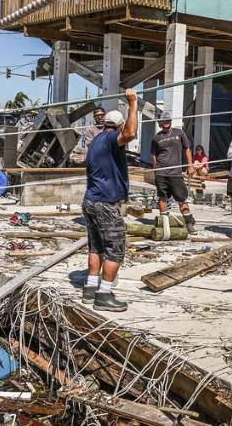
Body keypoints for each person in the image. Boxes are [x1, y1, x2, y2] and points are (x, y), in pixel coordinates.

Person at [81, 89, 139, 312]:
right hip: (105, 203)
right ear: (119, 126)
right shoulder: (112, 139)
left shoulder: (96, 140)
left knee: (96, 247)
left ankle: (90, 287)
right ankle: (104, 294)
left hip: (90, 201)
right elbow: (131, 133)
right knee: (115, 248)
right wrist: (133, 104)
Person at [151, 112, 197, 234]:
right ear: (160, 123)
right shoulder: (157, 137)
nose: (165, 123)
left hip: (175, 173)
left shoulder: (179, 133)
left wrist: (190, 165)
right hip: (161, 172)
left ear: (170, 121)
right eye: (163, 121)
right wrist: (155, 170)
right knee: (162, 197)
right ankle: (164, 224)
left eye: (167, 120)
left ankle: (189, 223)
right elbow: (154, 155)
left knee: (182, 198)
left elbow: (187, 149)